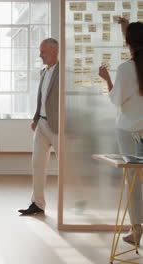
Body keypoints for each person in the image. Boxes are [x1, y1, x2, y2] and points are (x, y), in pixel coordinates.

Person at [99, 19, 143, 245]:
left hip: (128, 131)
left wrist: (107, 80)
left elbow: (116, 100)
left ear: (128, 43)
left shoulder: (126, 69)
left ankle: (136, 230)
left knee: (133, 180)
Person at [18, 38, 60, 215]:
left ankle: (78, 201)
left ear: (53, 51)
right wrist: (36, 118)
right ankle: (37, 203)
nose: (40, 55)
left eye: (43, 51)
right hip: (41, 123)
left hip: (58, 126)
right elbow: (42, 98)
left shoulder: (64, 72)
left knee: (66, 166)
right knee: (37, 163)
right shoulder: (43, 72)